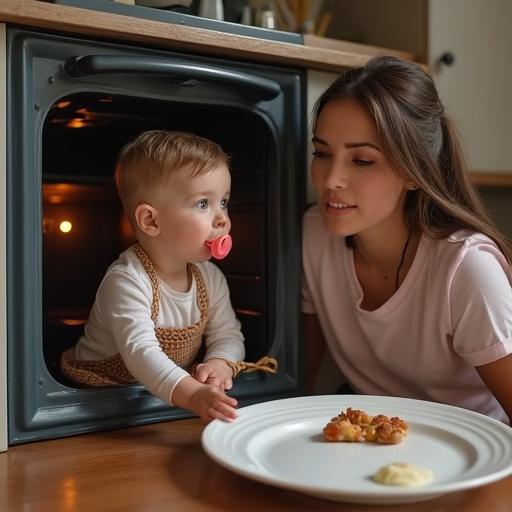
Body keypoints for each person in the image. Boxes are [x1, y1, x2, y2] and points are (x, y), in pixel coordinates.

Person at [302, 55, 512, 424]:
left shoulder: (466, 269)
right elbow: (299, 383)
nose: (331, 178)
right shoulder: (314, 235)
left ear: (414, 172)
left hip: (474, 454)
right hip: (373, 445)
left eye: (362, 160)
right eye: (322, 153)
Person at [61, 130, 246, 422]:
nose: (222, 218)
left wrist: (221, 362)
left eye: (223, 201)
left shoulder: (210, 278)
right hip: (99, 399)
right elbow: (141, 353)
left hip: (162, 394)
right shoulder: (126, 279)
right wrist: (193, 395)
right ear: (151, 220)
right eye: (203, 203)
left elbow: (228, 334)